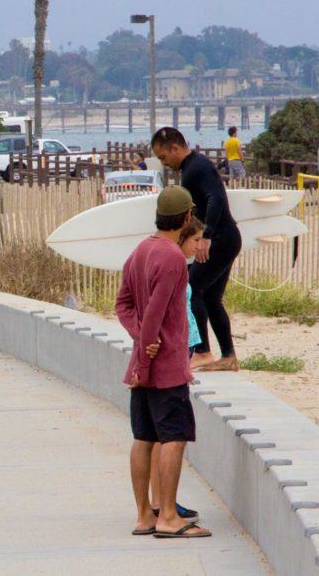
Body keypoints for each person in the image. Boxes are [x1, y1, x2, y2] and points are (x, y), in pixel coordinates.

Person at [116, 186, 210, 540]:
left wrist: (140, 340)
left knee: (143, 437)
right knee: (174, 436)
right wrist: (150, 344)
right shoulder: (171, 256)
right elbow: (155, 309)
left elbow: (123, 304)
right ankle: (168, 516)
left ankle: (144, 515)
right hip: (165, 364)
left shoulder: (141, 249)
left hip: (142, 365)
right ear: (187, 218)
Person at [151, 127, 241, 372]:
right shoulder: (193, 167)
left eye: (163, 157)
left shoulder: (196, 168)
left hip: (221, 239)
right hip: (227, 238)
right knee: (211, 297)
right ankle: (229, 356)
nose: (164, 163)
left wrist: (206, 237)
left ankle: (202, 352)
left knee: (191, 290)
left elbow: (217, 200)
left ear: (175, 148)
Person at [147, 216, 205, 524]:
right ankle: (162, 504)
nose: (199, 246)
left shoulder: (176, 263)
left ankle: (161, 501)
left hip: (184, 345)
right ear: (182, 237)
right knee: (167, 432)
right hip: (175, 350)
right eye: (195, 240)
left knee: (160, 432)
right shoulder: (171, 265)